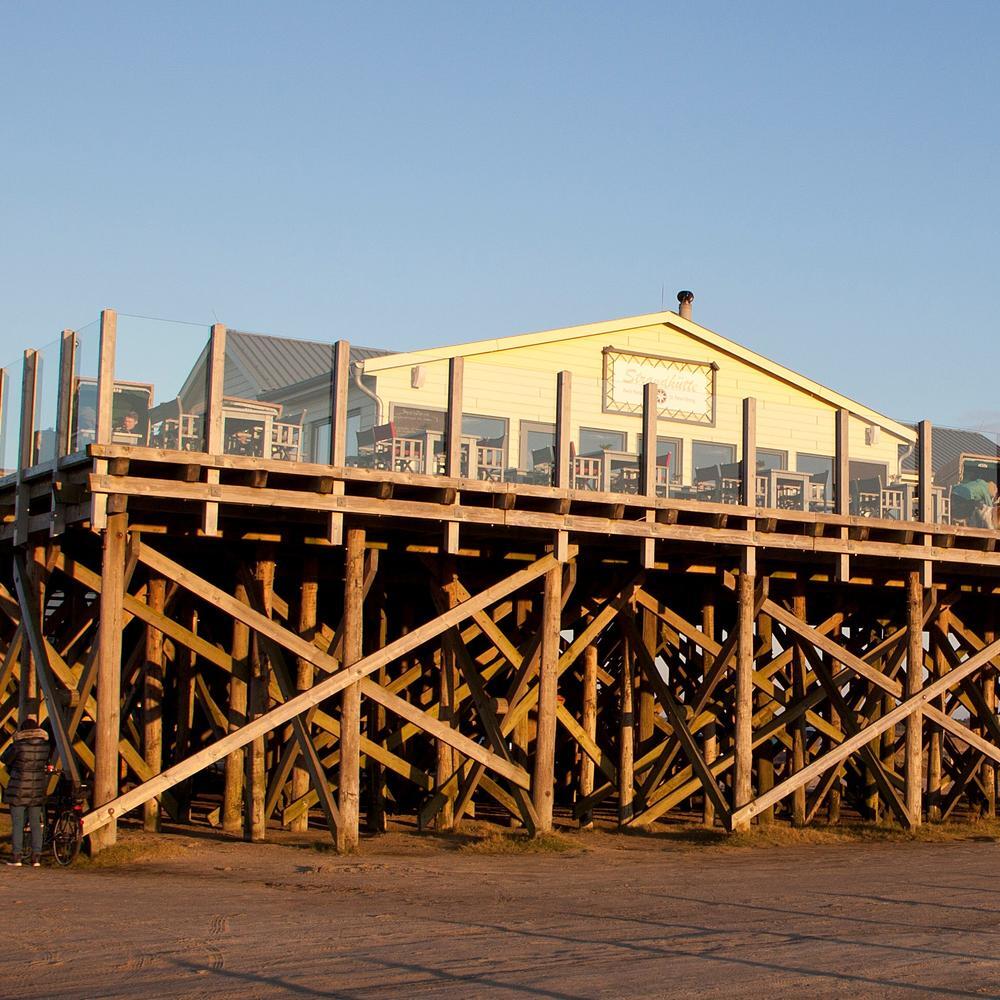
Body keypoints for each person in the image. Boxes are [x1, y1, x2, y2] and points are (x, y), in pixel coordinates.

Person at [4, 716, 50, 867]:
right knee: (36, 823)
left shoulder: (18, 745)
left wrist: (14, 743)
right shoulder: (45, 746)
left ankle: (17, 857)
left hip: (18, 789)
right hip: (36, 790)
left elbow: (5, 758)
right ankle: (36, 857)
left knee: (18, 823)